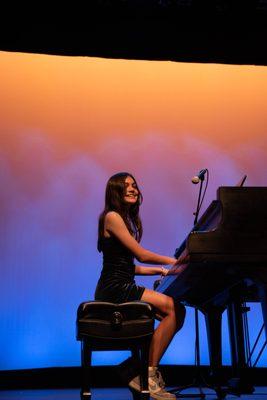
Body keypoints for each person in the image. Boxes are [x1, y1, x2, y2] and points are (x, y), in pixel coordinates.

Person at [95, 172, 186, 400]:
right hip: (115, 289)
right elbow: (141, 256)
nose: (133, 189)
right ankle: (148, 376)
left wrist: (164, 271)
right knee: (174, 309)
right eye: (126, 186)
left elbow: (129, 266)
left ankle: (135, 368)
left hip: (119, 284)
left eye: (134, 185)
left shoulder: (122, 220)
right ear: (115, 191)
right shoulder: (112, 216)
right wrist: (175, 261)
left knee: (176, 312)